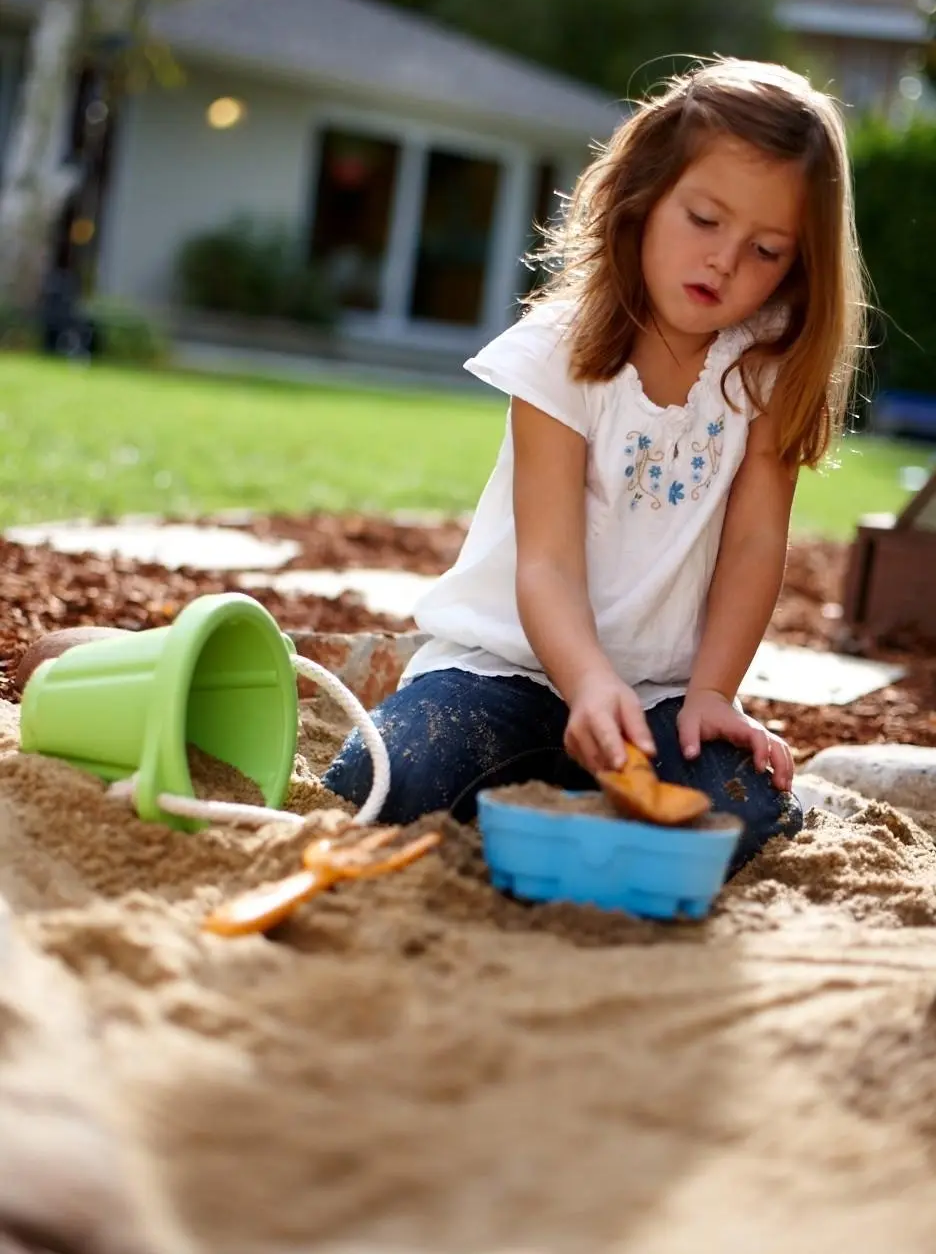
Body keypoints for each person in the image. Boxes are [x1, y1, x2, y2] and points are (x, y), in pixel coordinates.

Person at [323, 58, 866, 872]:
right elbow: (544, 560)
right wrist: (583, 683)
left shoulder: (762, 371)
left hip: (663, 698)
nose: (724, 261)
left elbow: (756, 546)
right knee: (386, 778)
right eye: (705, 219)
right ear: (646, 197)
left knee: (745, 818)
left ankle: (561, 786)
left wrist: (715, 694)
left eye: (766, 250)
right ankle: (454, 715)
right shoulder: (559, 351)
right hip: (513, 668)